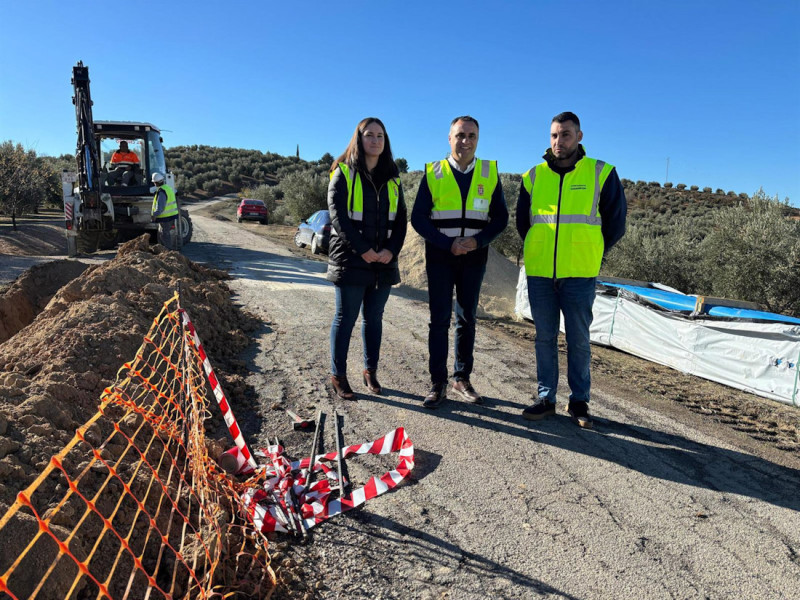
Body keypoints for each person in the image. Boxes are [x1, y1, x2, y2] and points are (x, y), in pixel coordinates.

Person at [517, 112, 626, 428]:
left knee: (578, 339)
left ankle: (579, 402)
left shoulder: (601, 173)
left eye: (565, 134)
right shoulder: (533, 176)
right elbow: (523, 224)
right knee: (544, 337)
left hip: (579, 272)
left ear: (579, 136)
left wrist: (588, 251)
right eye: (553, 135)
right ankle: (545, 398)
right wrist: (540, 250)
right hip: (540, 273)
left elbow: (615, 224)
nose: (557, 141)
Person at [411, 116, 508, 409]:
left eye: (471, 136)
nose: (465, 141)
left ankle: (461, 378)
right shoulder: (433, 172)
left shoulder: (489, 173)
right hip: (440, 256)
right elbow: (418, 218)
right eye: (460, 135)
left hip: (474, 257)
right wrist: (447, 243)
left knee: (467, 318)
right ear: (449, 138)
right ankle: (437, 382)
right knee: (439, 320)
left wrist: (477, 242)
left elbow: (501, 218)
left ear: (477, 140)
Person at [327, 117, 408, 399]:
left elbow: (401, 221)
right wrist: (363, 249)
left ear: (385, 141)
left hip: (383, 262)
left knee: (374, 319)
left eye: (380, 136)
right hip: (351, 259)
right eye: (369, 135)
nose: (375, 140)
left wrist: (390, 251)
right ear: (358, 139)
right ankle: (338, 376)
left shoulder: (393, 176)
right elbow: (338, 217)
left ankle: (370, 372)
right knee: (345, 318)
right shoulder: (344, 172)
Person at [151, 172, 179, 250]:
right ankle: (166, 250)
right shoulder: (168, 188)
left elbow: (160, 207)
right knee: (164, 234)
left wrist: (154, 215)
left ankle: (167, 251)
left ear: (156, 183)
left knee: (164, 235)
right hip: (170, 215)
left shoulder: (161, 192)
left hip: (165, 217)